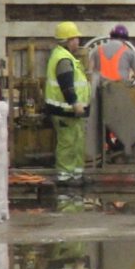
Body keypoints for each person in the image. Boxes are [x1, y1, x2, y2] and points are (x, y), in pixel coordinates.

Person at [45, 21, 90, 185]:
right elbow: (67, 85)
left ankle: (76, 175)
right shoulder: (63, 59)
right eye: (75, 38)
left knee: (76, 142)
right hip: (64, 111)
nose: (78, 42)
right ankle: (65, 176)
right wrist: (75, 103)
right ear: (68, 40)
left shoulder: (66, 57)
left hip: (70, 112)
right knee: (67, 143)